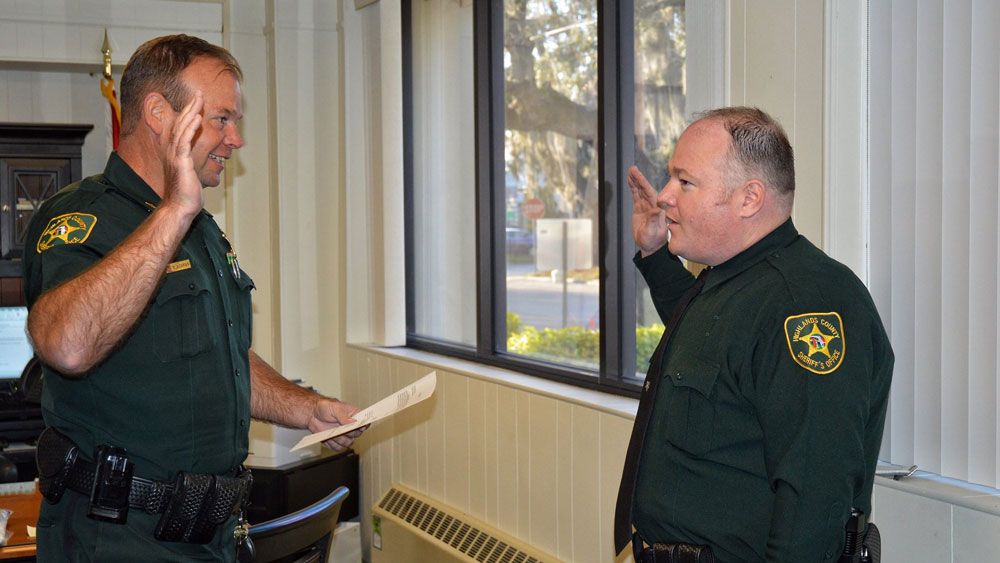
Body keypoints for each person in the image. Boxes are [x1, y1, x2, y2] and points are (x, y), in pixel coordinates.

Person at [22, 35, 365, 561]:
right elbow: (66, 346)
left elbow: (221, 358)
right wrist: (174, 211)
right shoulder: (84, 217)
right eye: (222, 119)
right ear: (159, 113)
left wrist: (308, 409)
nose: (236, 140)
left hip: (211, 535)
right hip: (116, 539)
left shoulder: (199, 229)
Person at [614, 107, 893, 562]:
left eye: (685, 182)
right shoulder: (737, 282)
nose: (664, 196)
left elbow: (813, 499)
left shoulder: (805, 303)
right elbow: (710, 345)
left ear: (749, 198)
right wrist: (654, 255)